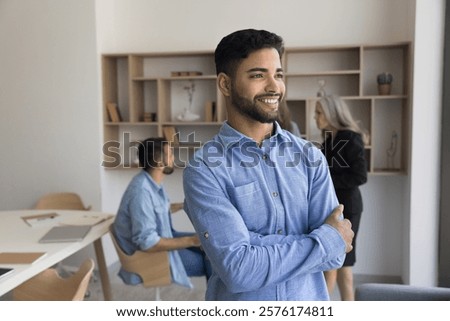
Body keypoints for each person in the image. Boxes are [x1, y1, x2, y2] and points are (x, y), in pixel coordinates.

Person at [182, 29, 354, 301]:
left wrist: (255, 246)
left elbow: (336, 253)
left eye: (279, 74)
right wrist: (323, 239)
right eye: (258, 75)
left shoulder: (311, 157)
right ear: (225, 84)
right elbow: (238, 270)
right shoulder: (204, 169)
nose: (274, 87)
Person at [113, 137, 211, 289]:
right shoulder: (141, 191)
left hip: (164, 238)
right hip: (147, 256)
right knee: (211, 261)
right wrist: (192, 240)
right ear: (159, 163)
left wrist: (187, 205)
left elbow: (158, 210)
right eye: (171, 154)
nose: (173, 158)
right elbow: (147, 242)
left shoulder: (151, 183)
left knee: (210, 248)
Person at [314, 95, 368, 300]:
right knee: (333, 266)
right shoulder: (329, 139)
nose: (315, 117)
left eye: (318, 112)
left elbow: (360, 176)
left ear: (331, 113)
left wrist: (328, 181)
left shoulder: (350, 138)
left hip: (349, 208)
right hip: (334, 207)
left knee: (342, 266)